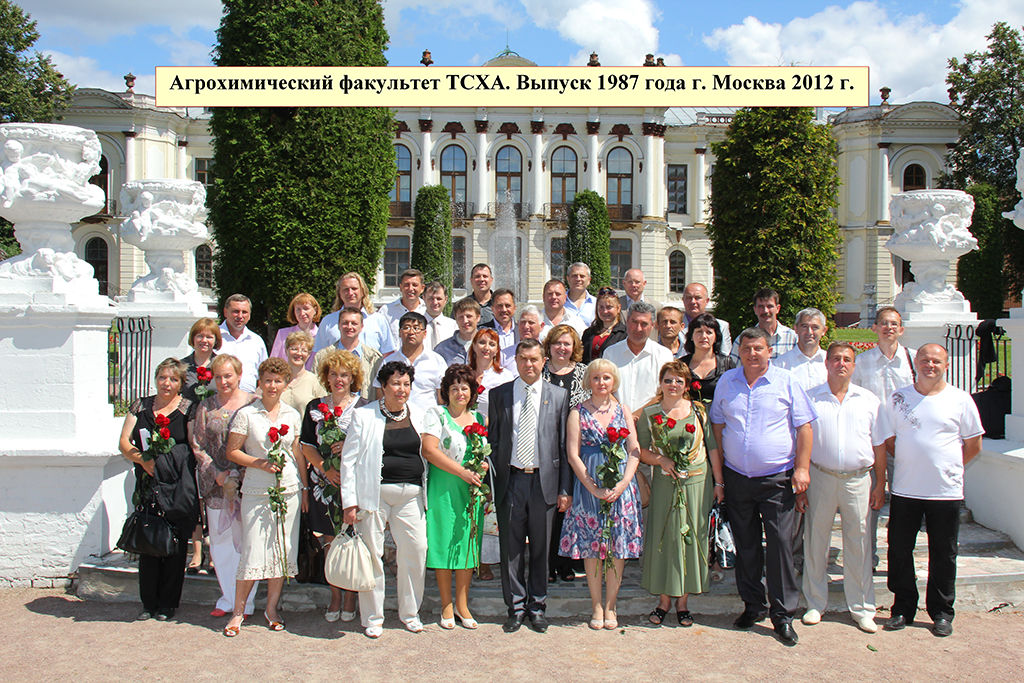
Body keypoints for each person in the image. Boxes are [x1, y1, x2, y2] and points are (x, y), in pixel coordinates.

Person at [710, 327, 816, 646]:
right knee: (746, 545)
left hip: (777, 478)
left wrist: (802, 468)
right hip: (738, 477)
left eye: (758, 348)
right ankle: (753, 605)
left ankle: (783, 615)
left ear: (769, 350)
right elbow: (717, 423)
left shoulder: (787, 381)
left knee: (781, 544)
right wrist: (723, 471)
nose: (752, 353)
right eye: (746, 348)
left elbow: (805, 427)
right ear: (738, 351)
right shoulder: (727, 382)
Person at [881, 344, 983, 638]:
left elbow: (973, 444)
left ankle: (941, 612)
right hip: (906, 489)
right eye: (924, 359)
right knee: (899, 550)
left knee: (944, 553)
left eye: (936, 361)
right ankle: (902, 608)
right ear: (916, 363)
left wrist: (949, 466)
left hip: (945, 492)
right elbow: (889, 440)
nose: (930, 365)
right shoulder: (898, 398)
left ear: (946, 365)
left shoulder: (960, 399)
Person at [799, 342, 888, 634]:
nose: (841, 364)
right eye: (835, 359)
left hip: (858, 479)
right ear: (826, 363)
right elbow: (800, 440)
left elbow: (878, 445)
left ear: (854, 365)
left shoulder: (869, 400)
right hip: (820, 476)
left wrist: (880, 483)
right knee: (815, 542)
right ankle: (815, 603)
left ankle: (862, 608)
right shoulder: (810, 399)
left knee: (859, 543)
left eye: (847, 359)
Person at [487, 339, 571, 633]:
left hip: (543, 482)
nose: (529, 365)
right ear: (516, 361)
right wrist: (491, 485)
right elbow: (493, 442)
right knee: (510, 549)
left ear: (544, 360)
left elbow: (563, 446)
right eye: (523, 359)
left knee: (540, 548)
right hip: (511, 481)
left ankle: (537, 606)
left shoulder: (559, 396)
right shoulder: (499, 395)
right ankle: (516, 607)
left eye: (535, 359)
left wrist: (565, 489)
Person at [340, 361, 430, 638]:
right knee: (372, 555)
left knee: (416, 551)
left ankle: (410, 613)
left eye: (406, 384)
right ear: (383, 385)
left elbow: (429, 451)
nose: (401, 389)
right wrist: (349, 502)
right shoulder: (363, 415)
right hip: (373, 495)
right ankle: (373, 617)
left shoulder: (420, 413)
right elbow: (349, 461)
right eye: (395, 383)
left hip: (412, 495)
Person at [223, 358, 308, 637]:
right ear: (259, 383)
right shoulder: (246, 415)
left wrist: (305, 489)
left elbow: (297, 455)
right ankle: (238, 612)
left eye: (278, 380)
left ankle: (271, 610)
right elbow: (232, 452)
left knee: (281, 551)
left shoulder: (292, 415)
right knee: (253, 550)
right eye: (268, 380)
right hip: (257, 491)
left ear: (285, 384)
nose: (272, 385)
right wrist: (258, 463)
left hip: (289, 490)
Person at [636, 361, 723, 627]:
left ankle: (683, 603)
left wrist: (719, 483)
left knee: (691, 539)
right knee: (666, 538)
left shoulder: (699, 411)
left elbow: (712, 449)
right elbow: (638, 450)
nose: (673, 385)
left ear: (686, 385)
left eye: (678, 381)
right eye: (668, 380)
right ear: (661, 383)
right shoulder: (650, 414)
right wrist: (660, 461)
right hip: (665, 485)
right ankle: (663, 601)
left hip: (698, 484)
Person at [559, 360, 644, 630]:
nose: (601, 382)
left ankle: (611, 605)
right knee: (592, 548)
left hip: (621, 488)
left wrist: (624, 482)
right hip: (589, 487)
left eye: (606, 377)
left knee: (617, 548)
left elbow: (634, 449)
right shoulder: (578, 412)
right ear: (588, 381)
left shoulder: (623, 410)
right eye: (595, 377)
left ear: (614, 380)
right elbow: (573, 455)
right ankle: (596, 604)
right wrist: (592, 487)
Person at [117, 358, 199, 622]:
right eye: (163, 377)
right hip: (148, 484)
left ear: (180, 384)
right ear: (156, 379)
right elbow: (123, 442)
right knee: (149, 541)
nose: (167, 383)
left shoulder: (188, 408)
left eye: (173, 379)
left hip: (176, 485)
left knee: (175, 545)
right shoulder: (140, 406)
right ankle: (148, 603)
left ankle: (167, 604)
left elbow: (193, 445)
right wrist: (143, 459)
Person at [298, 349, 367, 625]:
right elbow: (306, 444)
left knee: (350, 539)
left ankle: (350, 598)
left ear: (354, 378)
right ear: (326, 376)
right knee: (330, 543)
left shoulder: (363, 407)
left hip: (353, 483)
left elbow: (372, 445)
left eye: (345, 375)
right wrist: (326, 467)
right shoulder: (314, 407)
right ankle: (335, 596)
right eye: (334, 374)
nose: (340, 379)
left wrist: (349, 445)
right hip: (323, 483)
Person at [421, 365, 488, 630]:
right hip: (445, 486)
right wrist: (462, 472)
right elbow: (429, 449)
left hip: (470, 490)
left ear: (472, 392)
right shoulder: (436, 414)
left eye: (464, 387)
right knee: (443, 542)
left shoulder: (479, 419)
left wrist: (481, 466)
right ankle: (446, 604)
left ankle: (463, 603)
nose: (460, 392)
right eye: (454, 388)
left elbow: (483, 453)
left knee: (467, 543)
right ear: (445, 392)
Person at [190, 354, 257, 618]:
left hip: (247, 482)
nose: (223, 381)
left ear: (239, 375)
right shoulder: (206, 407)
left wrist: (240, 473)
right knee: (220, 541)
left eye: (228, 375)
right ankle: (227, 597)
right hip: (216, 485)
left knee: (248, 542)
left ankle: (246, 601)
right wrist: (217, 474)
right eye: (217, 377)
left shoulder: (254, 403)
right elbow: (198, 445)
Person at [852, 305, 917, 568]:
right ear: (875, 329)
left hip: (904, 444)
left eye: (894, 323)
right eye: (884, 323)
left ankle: (900, 560)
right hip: (872, 443)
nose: (889, 327)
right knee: (870, 504)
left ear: (901, 329)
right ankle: (868, 558)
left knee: (905, 506)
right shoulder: (863, 363)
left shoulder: (913, 360)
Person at [541, 324, 590, 583]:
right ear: (549, 346)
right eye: (557, 343)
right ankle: (548, 563)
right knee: (551, 507)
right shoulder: (539, 371)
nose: (562, 348)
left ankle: (566, 562)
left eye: (567, 343)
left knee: (571, 507)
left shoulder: (584, 373)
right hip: (546, 448)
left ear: (574, 348)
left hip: (577, 448)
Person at [602, 301, 673, 414]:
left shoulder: (664, 355)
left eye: (644, 324)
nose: (638, 329)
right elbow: (604, 388)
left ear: (653, 326)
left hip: (651, 421)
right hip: (616, 420)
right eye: (634, 322)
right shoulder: (610, 353)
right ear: (627, 322)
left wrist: (638, 415)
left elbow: (663, 393)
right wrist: (623, 415)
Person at [372, 312, 445, 414]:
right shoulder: (389, 361)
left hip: (428, 420)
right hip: (395, 419)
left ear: (424, 333)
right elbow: (380, 393)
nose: (411, 332)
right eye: (406, 328)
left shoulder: (437, 361)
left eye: (416, 328)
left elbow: (442, 399)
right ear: (399, 333)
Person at [313, 272, 394, 356]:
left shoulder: (378, 320)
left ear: (363, 291)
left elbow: (388, 354)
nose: (350, 293)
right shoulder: (328, 321)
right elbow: (319, 354)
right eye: (345, 289)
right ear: (339, 293)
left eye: (354, 288)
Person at [311, 307, 382, 400]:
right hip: (331, 411)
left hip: (364, 410)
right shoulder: (322, 357)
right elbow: (315, 388)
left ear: (361, 327)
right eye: (345, 323)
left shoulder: (375, 358)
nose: (349, 327)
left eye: (354, 323)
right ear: (338, 326)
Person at [680, 313, 736, 405]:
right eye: (699, 331)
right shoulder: (681, 364)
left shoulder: (727, 364)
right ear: (691, 337)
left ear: (716, 337)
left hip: (719, 417)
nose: (704, 336)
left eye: (709, 332)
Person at [219, 294, 268, 393]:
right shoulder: (213, 338)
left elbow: (263, 375)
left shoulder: (256, 341)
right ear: (225, 312)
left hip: (249, 402)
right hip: (218, 401)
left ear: (249, 315)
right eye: (235, 311)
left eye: (244, 312)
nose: (240, 316)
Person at [729, 288, 797, 361]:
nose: (765, 311)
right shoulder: (743, 340)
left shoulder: (792, 338)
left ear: (778, 308)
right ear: (755, 310)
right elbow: (733, 369)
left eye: (770, 306)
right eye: (761, 307)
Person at [775, 308, 828, 390]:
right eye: (804, 326)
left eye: (815, 327)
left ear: (824, 331)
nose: (809, 332)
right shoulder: (781, 364)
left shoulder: (831, 362)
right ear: (796, 329)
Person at [468, 327, 515, 418]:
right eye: (482, 342)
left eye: (492, 344)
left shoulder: (505, 376)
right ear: (474, 345)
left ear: (497, 350)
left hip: (494, 429)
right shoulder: (464, 374)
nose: (486, 347)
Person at [269, 292, 321, 370]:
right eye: (298, 309)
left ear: (315, 310)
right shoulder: (283, 334)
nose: (302, 313)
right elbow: (273, 362)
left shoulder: (321, 335)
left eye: (306, 308)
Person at [377, 268, 427, 344]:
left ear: (422, 288)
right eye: (406, 285)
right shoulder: (386, 311)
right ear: (400, 287)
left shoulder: (427, 310)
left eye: (415, 285)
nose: (410, 289)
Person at [681, 283, 731, 352]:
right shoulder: (674, 325)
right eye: (689, 297)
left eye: (698, 298)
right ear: (683, 301)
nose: (693, 302)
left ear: (706, 301)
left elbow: (725, 355)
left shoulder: (721, 326)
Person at [581, 287, 626, 363]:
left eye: (609, 307)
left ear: (618, 308)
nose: (605, 311)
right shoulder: (589, 333)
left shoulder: (624, 334)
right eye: (601, 307)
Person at [280, 331, 321, 413]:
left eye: (304, 350)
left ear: (309, 354)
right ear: (286, 351)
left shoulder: (316, 382)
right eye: (294, 349)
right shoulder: (276, 380)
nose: (299, 353)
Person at [182, 317, 221, 403]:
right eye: (200, 336)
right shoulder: (181, 366)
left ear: (216, 340)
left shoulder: (222, 366)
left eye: (209, 337)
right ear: (193, 338)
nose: (204, 340)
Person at [435, 297, 481, 366]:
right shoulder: (442, 349)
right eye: (461, 317)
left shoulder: (488, 346)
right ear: (456, 319)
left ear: (478, 317)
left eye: (469, 316)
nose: (465, 321)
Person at [483, 287, 518, 366]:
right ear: (492, 309)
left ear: (514, 308)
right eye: (499, 306)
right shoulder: (482, 331)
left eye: (508, 305)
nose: (504, 310)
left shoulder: (522, 331)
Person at [423, 281, 457, 351]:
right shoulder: (416, 325)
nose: (435, 302)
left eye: (439, 299)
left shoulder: (454, 326)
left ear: (445, 299)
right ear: (424, 298)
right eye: (431, 299)